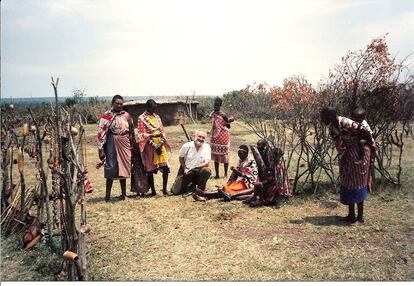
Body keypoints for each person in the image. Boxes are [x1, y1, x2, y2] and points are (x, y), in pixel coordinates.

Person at [320, 106, 373, 224]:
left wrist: (369, 149)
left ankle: (360, 217)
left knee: (358, 183)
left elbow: (365, 133)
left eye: (323, 118)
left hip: (360, 154)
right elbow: (340, 144)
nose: (322, 120)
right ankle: (351, 215)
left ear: (330, 116)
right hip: (348, 155)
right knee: (348, 182)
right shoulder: (332, 128)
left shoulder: (345, 122)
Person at [97, 95, 133, 202]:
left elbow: (131, 130)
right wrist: (101, 149)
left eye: (121, 103)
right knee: (110, 167)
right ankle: (107, 196)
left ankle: (124, 194)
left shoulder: (126, 115)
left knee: (124, 168)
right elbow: (101, 133)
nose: (119, 105)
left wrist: (130, 144)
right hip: (111, 142)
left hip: (124, 142)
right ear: (112, 103)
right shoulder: (106, 116)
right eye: (117, 103)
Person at [194, 144, 258, 202]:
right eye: (239, 154)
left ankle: (204, 194)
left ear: (246, 153)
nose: (240, 156)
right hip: (239, 181)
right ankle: (205, 195)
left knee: (227, 190)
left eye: (241, 154)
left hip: (247, 184)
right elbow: (234, 175)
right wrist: (230, 181)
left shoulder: (251, 161)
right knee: (224, 188)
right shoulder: (241, 161)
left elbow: (249, 176)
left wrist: (236, 171)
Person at [137, 99, 172, 196]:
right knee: (150, 170)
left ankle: (165, 190)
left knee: (165, 168)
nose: (154, 110)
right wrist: (154, 145)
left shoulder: (157, 117)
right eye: (152, 108)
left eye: (155, 108)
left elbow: (162, 131)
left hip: (160, 144)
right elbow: (142, 134)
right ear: (147, 107)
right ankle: (153, 191)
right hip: (149, 145)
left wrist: (160, 143)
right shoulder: (141, 118)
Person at [246, 141, 293, 207]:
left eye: (274, 156)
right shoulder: (270, 165)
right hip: (270, 186)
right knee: (258, 186)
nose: (273, 158)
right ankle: (256, 198)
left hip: (278, 190)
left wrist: (263, 183)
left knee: (274, 187)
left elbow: (278, 182)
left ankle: (263, 202)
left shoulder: (279, 167)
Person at [171, 130, 212, 196]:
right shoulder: (187, 146)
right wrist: (184, 168)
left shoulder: (207, 147)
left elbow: (207, 163)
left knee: (206, 171)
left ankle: (200, 190)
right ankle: (191, 187)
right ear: (195, 136)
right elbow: (181, 157)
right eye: (199, 136)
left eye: (203, 137)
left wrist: (195, 167)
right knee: (175, 191)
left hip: (198, 170)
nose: (201, 139)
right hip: (187, 171)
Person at [210, 97, 234, 178]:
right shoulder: (213, 113)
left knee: (225, 156)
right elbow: (212, 119)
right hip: (214, 137)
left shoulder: (223, 115)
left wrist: (226, 121)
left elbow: (228, 126)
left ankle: (225, 174)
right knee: (216, 156)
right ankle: (217, 174)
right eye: (214, 105)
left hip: (223, 136)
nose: (215, 107)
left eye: (217, 105)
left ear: (220, 106)